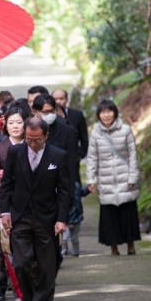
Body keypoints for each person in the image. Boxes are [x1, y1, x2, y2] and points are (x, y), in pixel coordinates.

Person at [0, 117, 72, 301]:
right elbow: (6, 185)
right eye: (28, 139)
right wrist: (5, 211)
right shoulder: (15, 152)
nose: (32, 144)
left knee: (46, 267)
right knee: (21, 264)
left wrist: (61, 219)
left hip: (46, 217)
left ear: (46, 136)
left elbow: (64, 191)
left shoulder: (58, 156)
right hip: (20, 216)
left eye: (36, 140)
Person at [86, 100, 141, 256]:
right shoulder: (96, 133)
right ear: (98, 115)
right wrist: (90, 180)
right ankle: (114, 248)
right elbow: (92, 158)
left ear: (115, 113)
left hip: (125, 178)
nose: (106, 115)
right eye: (103, 112)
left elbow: (132, 156)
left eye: (109, 111)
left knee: (127, 213)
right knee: (109, 217)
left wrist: (132, 178)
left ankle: (131, 246)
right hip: (106, 180)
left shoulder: (125, 130)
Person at [0, 106, 30, 301]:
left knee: (30, 251)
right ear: (5, 124)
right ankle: (18, 292)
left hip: (30, 206)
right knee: (9, 251)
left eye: (19, 122)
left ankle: (31, 290)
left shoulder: (33, 145)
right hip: (5, 206)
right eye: (11, 122)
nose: (15, 126)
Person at [52, 89, 89, 257]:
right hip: (54, 164)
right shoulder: (50, 120)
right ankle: (64, 243)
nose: (59, 101)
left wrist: (80, 155)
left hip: (72, 163)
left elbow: (84, 137)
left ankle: (73, 221)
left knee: (73, 193)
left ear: (66, 99)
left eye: (61, 98)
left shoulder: (76, 115)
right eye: (56, 98)